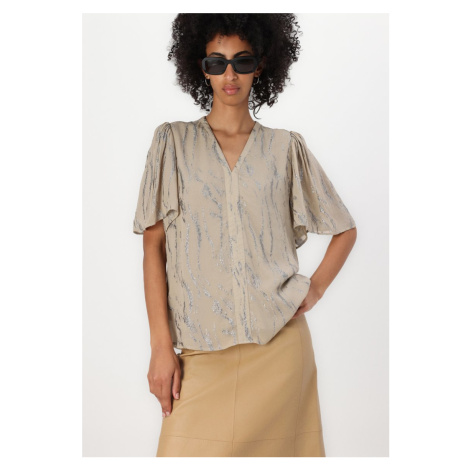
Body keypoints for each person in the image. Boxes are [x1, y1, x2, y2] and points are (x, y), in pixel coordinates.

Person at [132, 13, 357, 457]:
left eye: (242, 61)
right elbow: (152, 247)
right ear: (202, 69)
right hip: (200, 354)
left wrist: (313, 289)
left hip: (280, 352)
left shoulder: (285, 148)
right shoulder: (173, 143)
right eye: (217, 63)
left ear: (261, 65)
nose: (230, 74)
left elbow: (344, 229)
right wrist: (160, 347)